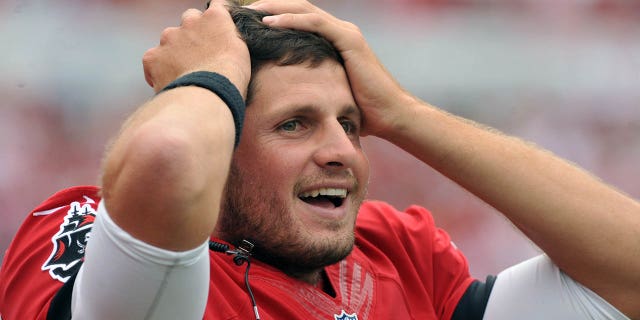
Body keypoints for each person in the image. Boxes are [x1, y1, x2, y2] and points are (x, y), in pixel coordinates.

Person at [0, 0, 638, 319]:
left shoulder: (397, 255)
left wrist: (406, 114)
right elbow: (167, 160)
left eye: (352, 125)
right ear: (220, 142)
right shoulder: (101, 235)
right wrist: (209, 75)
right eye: (294, 125)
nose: (340, 151)